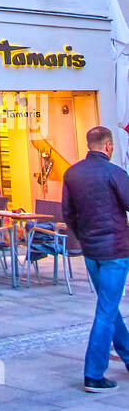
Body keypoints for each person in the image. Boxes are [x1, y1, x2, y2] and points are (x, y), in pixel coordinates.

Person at [62, 126, 129, 392]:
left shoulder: (72, 173)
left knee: (108, 307)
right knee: (106, 311)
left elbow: (68, 213)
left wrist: (83, 237)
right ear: (108, 146)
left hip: (91, 251)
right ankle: (93, 373)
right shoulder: (115, 173)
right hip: (114, 251)